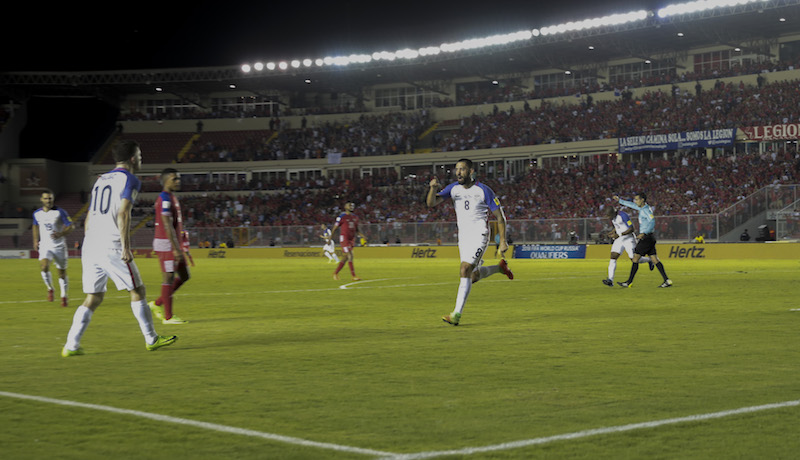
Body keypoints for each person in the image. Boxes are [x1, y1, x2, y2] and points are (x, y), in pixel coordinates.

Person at [61, 140, 177, 357]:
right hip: (111, 244)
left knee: (93, 297)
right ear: (132, 158)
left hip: (92, 243)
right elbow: (123, 213)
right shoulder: (130, 179)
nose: (141, 159)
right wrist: (125, 247)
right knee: (138, 290)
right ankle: (151, 339)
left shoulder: (100, 180)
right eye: (140, 155)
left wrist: (90, 243)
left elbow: (89, 215)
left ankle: (71, 345)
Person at [427, 159, 514, 326]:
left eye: (462, 169)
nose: (459, 172)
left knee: (464, 269)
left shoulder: (484, 191)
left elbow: (499, 217)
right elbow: (431, 203)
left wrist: (502, 241)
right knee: (472, 276)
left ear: (471, 171)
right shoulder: (453, 188)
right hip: (464, 238)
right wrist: (432, 189)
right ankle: (499, 268)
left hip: (479, 235)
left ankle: (456, 315)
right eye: (457, 169)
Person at [148, 168, 191, 324]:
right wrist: (175, 248)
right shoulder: (165, 198)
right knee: (168, 277)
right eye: (175, 179)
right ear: (166, 181)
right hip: (166, 244)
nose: (178, 181)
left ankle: (157, 303)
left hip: (173, 243)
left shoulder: (172, 197)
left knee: (185, 275)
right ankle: (168, 317)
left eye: (179, 178)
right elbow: (167, 225)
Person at [612, 193, 672, 288]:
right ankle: (667, 280)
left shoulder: (646, 210)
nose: (635, 202)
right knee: (654, 259)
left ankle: (629, 282)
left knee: (635, 258)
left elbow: (652, 222)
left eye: (637, 200)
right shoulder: (642, 208)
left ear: (642, 200)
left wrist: (644, 233)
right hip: (650, 237)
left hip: (646, 238)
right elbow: (631, 205)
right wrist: (620, 201)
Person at [32, 190, 74, 306]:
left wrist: (60, 234)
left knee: (61, 273)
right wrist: (35, 240)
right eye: (45, 198)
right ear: (41, 199)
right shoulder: (37, 214)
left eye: (50, 198)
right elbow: (35, 226)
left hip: (59, 246)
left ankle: (64, 296)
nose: (48, 201)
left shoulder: (60, 212)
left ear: (53, 199)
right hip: (45, 245)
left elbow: (71, 226)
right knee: (44, 266)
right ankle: (50, 288)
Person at [601, 206, 653, 287]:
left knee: (634, 259)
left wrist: (619, 234)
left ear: (613, 213)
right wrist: (613, 231)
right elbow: (618, 225)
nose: (608, 217)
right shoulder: (613, 217)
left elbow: (632, 228)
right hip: (619, 239)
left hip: (629, 239)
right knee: (613, 256)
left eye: (609, 215)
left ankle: (649, 260)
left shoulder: (623, 215)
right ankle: (610, 280)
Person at [331, 201, 366, 280]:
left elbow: (357, 229)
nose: (351, 206)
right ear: (345, 207)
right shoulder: (342, 217)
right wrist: (330, 238)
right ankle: (353, 276)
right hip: (344, 238)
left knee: (346, 257)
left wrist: (362, 235)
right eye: (349, 205)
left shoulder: (355, 217)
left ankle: (335, 273)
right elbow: (335, 228)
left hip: (351, 239)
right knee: (350, 255)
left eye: (352, 205)